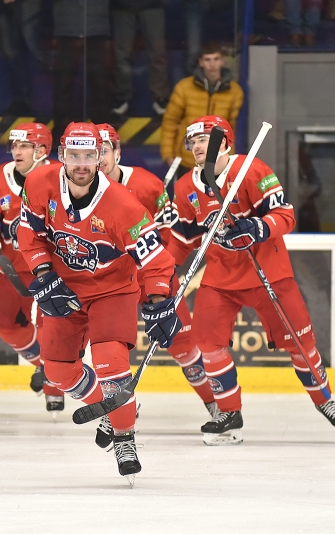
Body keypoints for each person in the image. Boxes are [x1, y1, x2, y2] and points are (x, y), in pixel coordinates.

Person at [167, 115, 335, 446]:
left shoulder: (251, 170)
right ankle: (228, 411)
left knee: (300, 342)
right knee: (207, 343)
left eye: (203, 139)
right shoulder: (184, 187)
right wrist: (163, 273)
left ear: (224, 143)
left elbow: (286, 215)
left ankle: (324, 399)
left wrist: (256, 227)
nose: (196, 146)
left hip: (270, 273)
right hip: (221, 277)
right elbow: (183, 238)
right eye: (191, 141)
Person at [17, 121, 181, 483]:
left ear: (99, 158)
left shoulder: (122, 205)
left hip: (112, 289)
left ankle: (124, 438)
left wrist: (158, 302)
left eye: (89, 156)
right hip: (65, 286)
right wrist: (43, 275)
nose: (81, 163)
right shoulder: (39, 184)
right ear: (61, 155)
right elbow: (29, 233)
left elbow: (156, 260)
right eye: (73, 155)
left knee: (111, 364)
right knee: (58, 372)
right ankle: (109, 410)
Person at [96, 123, 217, 438]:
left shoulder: (149, 186)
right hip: (106, 285)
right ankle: (117, 409)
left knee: (183, 347)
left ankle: (216, 406)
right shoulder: (75, 191)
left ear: (117, 152)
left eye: (104, 151)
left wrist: (156, 270)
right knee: (108, 351)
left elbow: (169, 236)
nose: (98, 159)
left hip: (150, 277)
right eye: (92, 153)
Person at [0, 122, 66, 412]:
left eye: (24, 145)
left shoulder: (62, 178)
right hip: (14, 267)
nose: (17, 151)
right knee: (7, 327)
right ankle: (45, 366)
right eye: (14, 145)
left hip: (55, 267)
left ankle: (56, 382)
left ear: (42, 150)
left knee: (53, 327)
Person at [160, 42, 243, 174]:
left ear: (222, 61)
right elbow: (170, 122)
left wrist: (229, 158)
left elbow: (233, 128)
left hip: (219, 162)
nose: (212, 65)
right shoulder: (184, 87)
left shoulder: (235, 91)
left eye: (216, 59)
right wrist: (168, 154)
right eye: (207, 60)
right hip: (187, 161)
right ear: (201, 62)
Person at [50, 0, 113, 149]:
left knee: (100, 84)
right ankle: (62, 131)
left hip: (98, 28)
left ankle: (102, 133)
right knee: (63, 84)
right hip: (67, 28)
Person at [110, 0, 170, 118]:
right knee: (121, 54)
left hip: (152, 5)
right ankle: (120, 98)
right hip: (122, 6)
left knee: (158, 53)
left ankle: (160, 98)